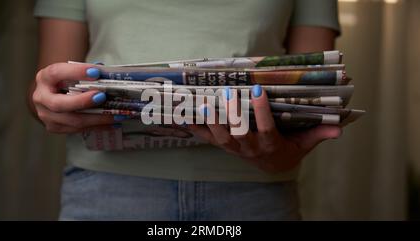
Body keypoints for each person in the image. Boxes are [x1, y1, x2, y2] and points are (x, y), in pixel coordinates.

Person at [30, 0, 342, 220]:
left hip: (254, 192)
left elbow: (313, 88)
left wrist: (286, 152)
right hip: (106, 187)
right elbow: (47, 87)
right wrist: (49, 101)